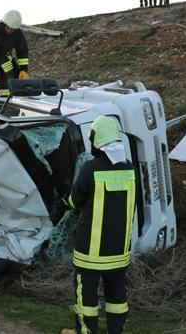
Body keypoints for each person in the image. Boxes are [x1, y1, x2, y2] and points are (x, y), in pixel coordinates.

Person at [64, 116, 136, 334]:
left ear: (96, 139)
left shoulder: (90, 168)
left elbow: (75, 201)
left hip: (90, 253)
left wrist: (65, 201)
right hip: (118, 251)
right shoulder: (129, 169)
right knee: (117, 298)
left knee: (86, 299)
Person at [0, 10, 30, 97]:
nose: (10, 31)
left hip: (3, 56)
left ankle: (7, 97)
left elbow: (22, 52)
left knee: (10, 76)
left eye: (12, 29)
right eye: (8, 28)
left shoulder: (18, 34)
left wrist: (24, 70)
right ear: (4, 24)